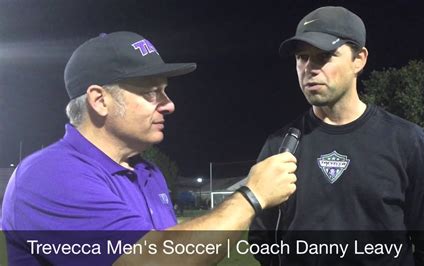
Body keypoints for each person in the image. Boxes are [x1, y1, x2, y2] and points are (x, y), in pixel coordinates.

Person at [1, 31, 298, 265]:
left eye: (165, 91)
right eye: (150, 92)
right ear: (99, 100)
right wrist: (251, 196)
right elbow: (151, 259)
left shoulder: (147, 171)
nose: (169, 104)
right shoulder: (50, 175)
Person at [249, 6, 424, 266]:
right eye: (302, 57)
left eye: (324, 56)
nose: (309, 68)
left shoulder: (408, 141)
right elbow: (261, 239)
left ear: (359, 59)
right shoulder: (279, 146)